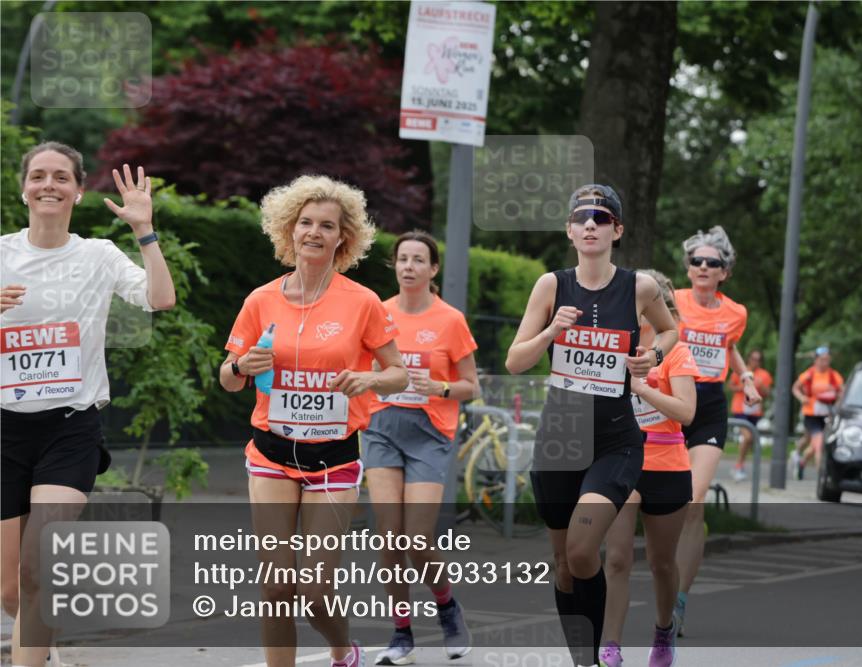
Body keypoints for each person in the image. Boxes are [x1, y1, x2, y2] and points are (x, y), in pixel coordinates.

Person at [219, 175, 408, 667]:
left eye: (327, 226)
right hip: (270, 453)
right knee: (277, 583)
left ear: (343, 238)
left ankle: (342, 649)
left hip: (333, 458)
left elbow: (399, 375)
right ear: (289, 230)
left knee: (315, 587)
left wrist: (369, 381)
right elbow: (228, 378)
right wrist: (240, 366)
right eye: (305, 223)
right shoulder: (261, 300)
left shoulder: (362, 301)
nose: (314, 233)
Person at [1, 142, 175, 667]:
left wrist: (144, 230)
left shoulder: (97, 254)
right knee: (10, 588)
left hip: (70, 428)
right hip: (5, 431)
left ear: (78, 189)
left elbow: (159, 298)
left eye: (60, 176)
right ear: (23, 188)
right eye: (38, 176)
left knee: (37, 568)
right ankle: (47, 651)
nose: (48, 184)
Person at [505, 184, 678, 666]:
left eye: (601, 218)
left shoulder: (639, 286)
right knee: (563, 566)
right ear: (568, 230)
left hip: (615, 440)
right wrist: (552, 331)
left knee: (583, 551)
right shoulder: (551, 285)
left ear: (616, 231)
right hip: (561, 438)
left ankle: (603, 655)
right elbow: (516, 360)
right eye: (581, 217)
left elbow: (669, 328)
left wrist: (652, 356)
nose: (590, 225)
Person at [363, 230, 480, 665]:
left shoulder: (450, 320)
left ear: (433, 270)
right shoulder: (378, 312)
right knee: (388, 537)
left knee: (417, 538)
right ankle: (401, 633)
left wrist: (443, 388)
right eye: (403, 259)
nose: (409, 266)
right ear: (395, 266)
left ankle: (447, 605)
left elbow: (472, 386)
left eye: (418, 260)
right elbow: (363, 368)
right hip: (382, 428)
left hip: (429, 433)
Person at [600, 272, 696, 667]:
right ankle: (611, 645)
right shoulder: (613, 346)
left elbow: (687, 412)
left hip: (667, 465)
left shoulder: (675, 352)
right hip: (623, 463)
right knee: (618, 558)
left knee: (661, 563)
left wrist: (644, 389)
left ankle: (662, 629)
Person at [671, 226, 760, 637]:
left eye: (713, 263)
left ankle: (679, 600)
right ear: (688, 268)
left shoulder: (736, 313)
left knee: (694, 502)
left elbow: (728, 345)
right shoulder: (672, 300)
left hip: (708, 406)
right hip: (669, 401)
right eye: (697, 261)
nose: (704, 267)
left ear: (725, 272)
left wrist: (745, 378)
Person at [791, 346, 844, 479]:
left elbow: (842, 392)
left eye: (827, 360)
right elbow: (795, 388)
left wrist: (837, 401)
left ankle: (802, 463)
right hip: (811, 414)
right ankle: (822, 477)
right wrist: (802, 398)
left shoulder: (834, 375)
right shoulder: (809, 374)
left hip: (827, 414)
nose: (824, 363)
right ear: (815, 360)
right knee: (819, 443)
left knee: (815, 445)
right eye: (821, 360)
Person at [727, 349, 772, 481]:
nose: (755, 362)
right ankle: (738, 466)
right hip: (740, 409)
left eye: (758, 359)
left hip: (755, 410)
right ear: (748, 359)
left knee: (750, 439)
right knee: (747, 437)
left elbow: (767, 393)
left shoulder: (764, 374)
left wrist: (760, 386)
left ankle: (740, 464)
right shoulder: (741, 370)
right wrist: (745, 386)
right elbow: (731, 386)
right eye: (753, 358)